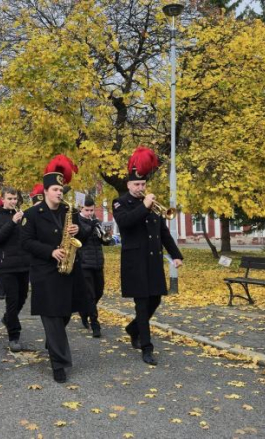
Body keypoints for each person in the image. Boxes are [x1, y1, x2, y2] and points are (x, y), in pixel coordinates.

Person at [20, 155, 89, 383]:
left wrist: (79, 230)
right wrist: (50, 251)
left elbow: (86, 235)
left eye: (62, 189)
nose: (60, 193)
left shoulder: (69, 211)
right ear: (46, 191)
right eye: (56, 189)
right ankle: (58, 364)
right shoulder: (32, 215)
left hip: (68, 272)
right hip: (44, 273)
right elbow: (26, 242)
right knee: (52, 317)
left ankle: (52, 342)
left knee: (64, 314)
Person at [112, 146, 183, 366]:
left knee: (156, 299)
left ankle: (133, 328)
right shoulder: (120, 203)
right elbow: (126, 222)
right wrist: (144, 205)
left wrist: (176, 254)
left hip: (152, 261)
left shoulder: (152, 206)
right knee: (141, 305)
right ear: (128, 185)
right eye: (136, 184)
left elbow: (163, 232)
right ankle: (146, 346)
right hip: (134, 262)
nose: (140, 188)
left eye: (143, 184)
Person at [0, 187, 29, 352]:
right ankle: (14, 336)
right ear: (2, 199)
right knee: (12, 300)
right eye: (9, 198)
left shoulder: (22, 217)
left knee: (23, 297)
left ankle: (7, 319)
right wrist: (12, 222)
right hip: (6, 266)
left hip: (24, 264)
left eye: (15, 199)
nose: (13, 201)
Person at [77, 196, 113, 338]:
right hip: (84, 263)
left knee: (99, 292)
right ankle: (95, 325)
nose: (90, 213)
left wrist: (107, 237)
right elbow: (81, 237)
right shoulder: (77, 221)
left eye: (92, 210)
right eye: (87, 210)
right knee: (91, 295)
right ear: (81, 209)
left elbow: (103, 242)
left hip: (98, 263)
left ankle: (84, 311)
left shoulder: (96, 222)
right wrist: (92, 225)